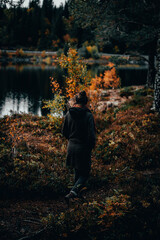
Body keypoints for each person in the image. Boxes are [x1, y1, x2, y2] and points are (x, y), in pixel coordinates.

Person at [62, 91, 96, 204]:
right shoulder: (88, 115)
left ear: (76, 102)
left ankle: (77, 196)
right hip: (83, 148)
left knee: (78, 170)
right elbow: (91, 135)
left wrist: (72, 140)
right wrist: (91, 146)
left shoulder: (68, 114)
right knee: (85, 173)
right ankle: (72, 192)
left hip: (71, 147)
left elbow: (64, 132)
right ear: (85, 103)